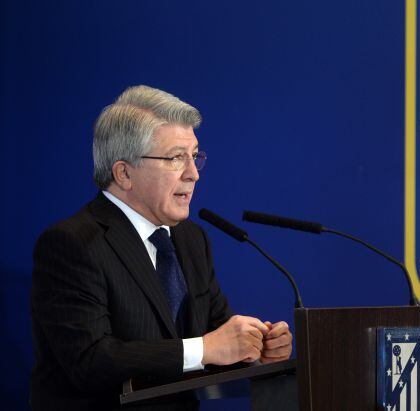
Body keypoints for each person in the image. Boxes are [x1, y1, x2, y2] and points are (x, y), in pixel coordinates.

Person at [30, 85, 293, 410]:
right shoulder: (73, 244)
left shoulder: (191, 239)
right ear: (124, 172)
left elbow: (215, 337)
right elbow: (90, 360)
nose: (193, 174)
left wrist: (254, 350)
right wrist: (208, 347)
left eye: (194, 156)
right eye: (176, 158)